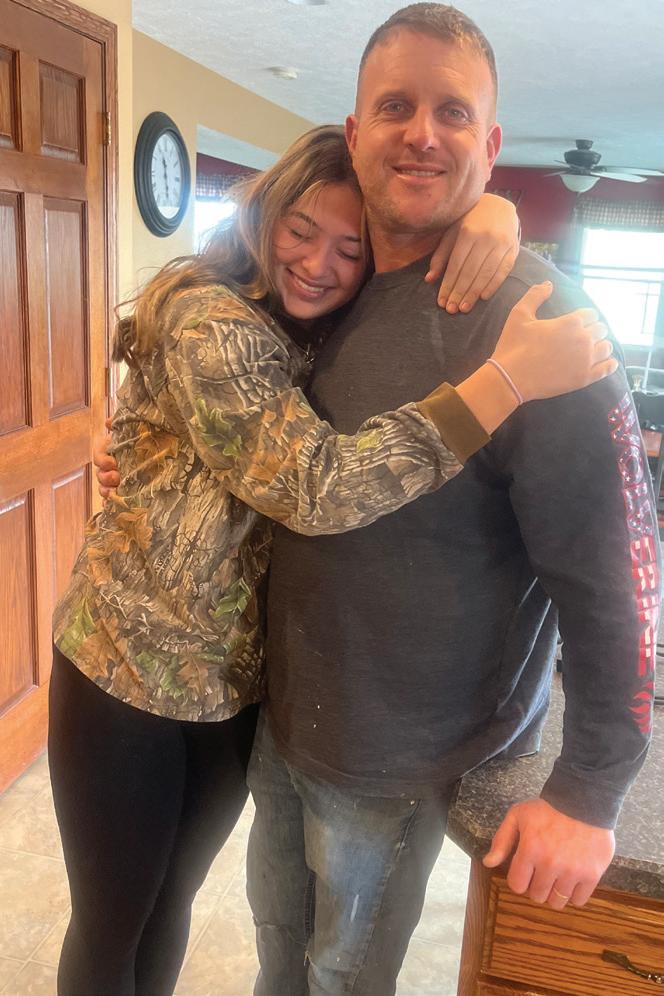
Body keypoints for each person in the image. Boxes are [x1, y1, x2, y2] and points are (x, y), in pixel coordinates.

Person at [51, 122, 612, 996]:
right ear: (265, 214)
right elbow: (314, 486)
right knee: (111, 925)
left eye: (350, 249)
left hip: (230, 691)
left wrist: (488, 213)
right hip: (123, 676)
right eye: (301, 230)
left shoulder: (308, 327)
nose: (318, 263)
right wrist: (504, 381)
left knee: (168, 906)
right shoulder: (211, 320)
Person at [243, 6, 660, 996]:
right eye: (395, 107)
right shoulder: (326, 281)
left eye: (452, 112)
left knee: (342, 979)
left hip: (403, 757)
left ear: (491, 143)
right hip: (283, 721)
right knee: (276, 956)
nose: (421, 134)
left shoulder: (540, 322)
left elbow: (620, 570)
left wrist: (590, 786)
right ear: (355, 134)